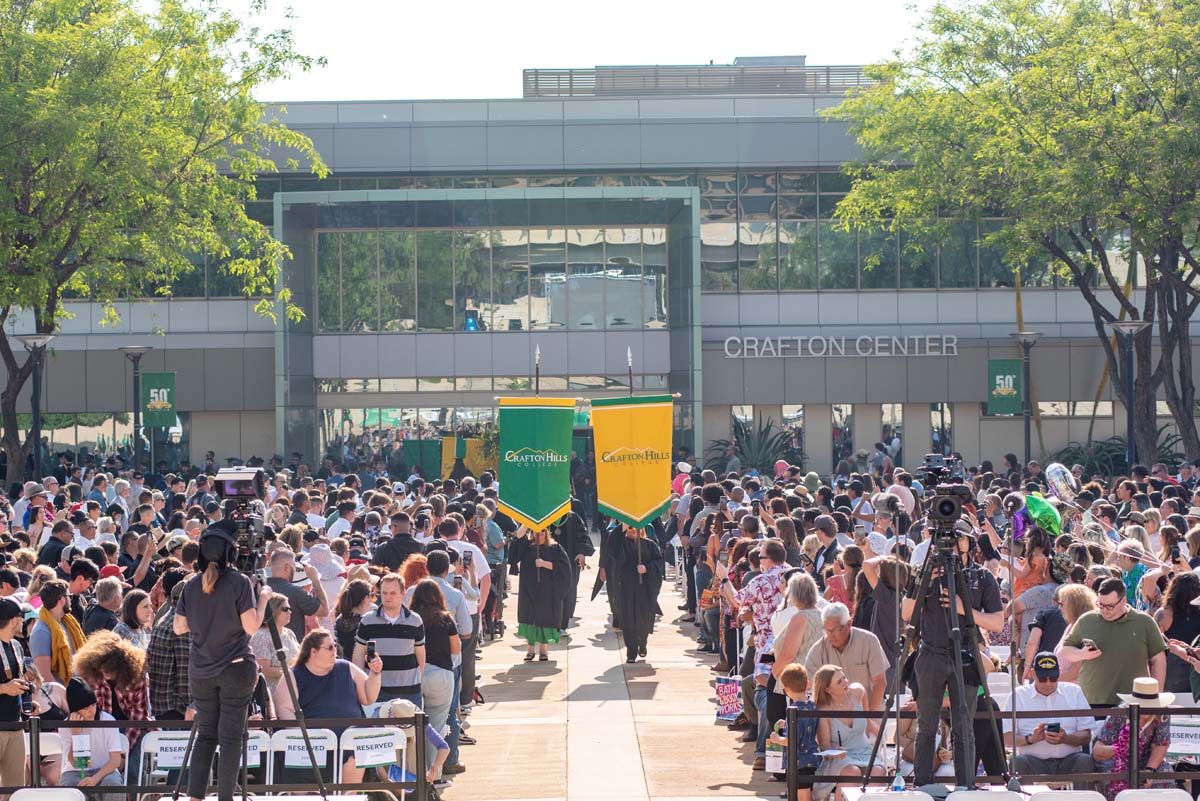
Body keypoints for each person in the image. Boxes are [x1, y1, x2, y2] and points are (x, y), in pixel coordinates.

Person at [174, 524, 275, 801]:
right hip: (235, 667)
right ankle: (225, 798)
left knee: (206, 735)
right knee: (230, 737)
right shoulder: (240, 582)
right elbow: (252, 626)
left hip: (202, 671)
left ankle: (195, 797)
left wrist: (205, 620)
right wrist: (263, 599)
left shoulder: (191, 585)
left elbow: (179, 627)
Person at [900, 529, 1003, 786]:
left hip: (965, 653)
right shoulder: (924, 571)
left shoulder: (982, 576)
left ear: (969, 541)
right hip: (930, 652)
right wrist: (923, 584)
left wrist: (963, 608)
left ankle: (965, 785)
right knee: (926, 726)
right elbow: (906, 613)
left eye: (958, 536)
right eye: (943, 536)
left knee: (964, 727)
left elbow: (997, 623)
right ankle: (922, 786)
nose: (952, 543)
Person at [274, 628, 383, 785]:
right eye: (330, 647)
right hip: (312, 744)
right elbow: (285, 710)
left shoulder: (346, 667)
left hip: (349, 741)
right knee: (303, 783)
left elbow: (368, 697)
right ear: (313, 651)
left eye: (335, 645)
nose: (335, 651)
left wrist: (375, 673)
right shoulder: (293, 675)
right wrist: (306, 739)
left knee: (355, 759)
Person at [1058, 577, 1167, 706]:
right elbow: (1064, 650)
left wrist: (1155, 696)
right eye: (1100, 605)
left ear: (1123, 601)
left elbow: (1159, 660)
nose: (1104, 610)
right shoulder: (1087, 620)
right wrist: (1082, 654)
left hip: (1131, 703)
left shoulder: (1144, 622)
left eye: (1110, 606)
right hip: (1091, 702)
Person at [999, 652, 1094, 780]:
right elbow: (1006, 738)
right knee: (1018, 762)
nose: (1048, 683)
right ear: (1033, 674)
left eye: (1053, 678)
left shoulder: (1074, 692)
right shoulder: (1019, 695)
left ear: (1059, 672)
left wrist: (1065, 738)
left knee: (1084, 761)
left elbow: (1086, 734)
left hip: (1069, 760)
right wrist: (1031, 739)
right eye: (1042, 678)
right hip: (1033, 761)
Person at [1092, 677, 1175, 801]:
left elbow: (1161, 744)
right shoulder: (1118, 715)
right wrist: (1120, 748)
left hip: (1147, 760)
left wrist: (1149, 770)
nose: (1147, 708)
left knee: (1165, 771)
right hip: (1115, 759)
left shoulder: (1161, 713)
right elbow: (1097, 752)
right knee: (1118, 776)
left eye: (1150, 705)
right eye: (1143, 705)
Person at [811, 665, 885, 801]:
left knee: (878, 771)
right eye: (839, 682)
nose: (845, 682)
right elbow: (824, 747)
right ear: (828, 690)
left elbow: (863, 696)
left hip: (865, 751)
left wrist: (868, 721)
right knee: (852, 772)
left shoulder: (857, 692)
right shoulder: (824, 711)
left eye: (844, 677)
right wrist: (834, 750)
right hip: (840, 758)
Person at [351, 573, 425, 707]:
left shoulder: (415, 620)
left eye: (392, 593)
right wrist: (362, 687)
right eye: (384, 593)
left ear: (403, 593)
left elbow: (421, 656)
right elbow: (358, 655)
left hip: (409, 692)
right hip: (377, 692)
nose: (387, 597)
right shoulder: (367, 620)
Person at [406, 578, 460, 746]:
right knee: (435, 727)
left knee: (412, 727)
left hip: (414, 675)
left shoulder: (409, 619)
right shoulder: (445, 619)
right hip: (440, 674)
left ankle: (416, 768)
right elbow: (456, 649)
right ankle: (432, 770)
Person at [602, 524, 664, 663]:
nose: (632, 531)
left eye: (635, 528)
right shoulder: (620, 544)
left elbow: (659, 563)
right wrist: (622, 526)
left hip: (645, 589)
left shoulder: (650, 545)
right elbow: (611, 544)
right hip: (626, 588)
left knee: (644, 619)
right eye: (629, 528)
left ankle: (642, 643)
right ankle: (631, 651)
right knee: (628, 620)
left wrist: (647, 568)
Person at [510, 526, 572, 662]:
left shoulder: (555, 548)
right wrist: (527, 523)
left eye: (543, 531)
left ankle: (543, 650)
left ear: (547, 532)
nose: (540, 534)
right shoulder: (527, 547)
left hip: (547, 590)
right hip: (528, 589)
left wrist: (544, 564)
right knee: (529, 619)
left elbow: (564, 569)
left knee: (544, 618)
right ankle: (530, 650)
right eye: (536, 531)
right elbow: (518, 537)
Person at [59, 677, 125, 801]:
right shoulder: (66, 726)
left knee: (113, 786)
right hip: (74, 771)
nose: (91, 711)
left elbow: (116, 760)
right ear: (75, 710)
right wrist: (76, 734)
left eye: (93, 705)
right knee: (71, 790)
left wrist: (96, 778)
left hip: (105, 769)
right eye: (85, 708)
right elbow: (77, 763)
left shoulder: (107, 720)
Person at [266, 548, 330, 643]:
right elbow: (324, 610)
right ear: (287, 567)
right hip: (290, 649)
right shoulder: (295, 592)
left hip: (261, 648)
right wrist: (315, 580)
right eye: (293, 567)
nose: (294, 570)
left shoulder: (258, 587)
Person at [0, 599, 30, 792]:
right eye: (22, 618)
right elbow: (8, 685)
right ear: (13, 620)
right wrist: (4, 688)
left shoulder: (17, 646)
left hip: (15, 724)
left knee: (15, 790)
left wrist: (28, 701)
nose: (23, 622)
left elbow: (21, 679)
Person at [31, 578, 85, 684]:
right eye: (69, 596)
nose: (71, 600)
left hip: (76, 691)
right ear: (61, 600)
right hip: (60, 695)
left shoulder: (67, 622)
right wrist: (63, 696)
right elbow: (44, 675)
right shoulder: (41, 632)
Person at [249, 595, 300, 684]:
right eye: (285, 609)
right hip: (272, 692)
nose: (289, 612)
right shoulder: (261, 636)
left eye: (290, 609)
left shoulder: (289, 633)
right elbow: (265, 670)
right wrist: (291, 672)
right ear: (274, 611)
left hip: (292, 687)